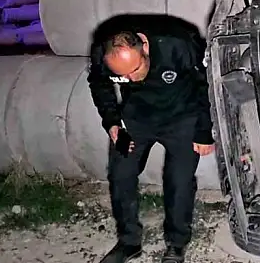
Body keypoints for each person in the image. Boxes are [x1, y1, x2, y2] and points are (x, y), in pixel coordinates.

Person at [88, 16, 215, 263]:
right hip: (136, 118)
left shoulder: (178, 43)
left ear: (144, 46)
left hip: (183, 117)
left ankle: (176, 244)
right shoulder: (102, 53)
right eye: (124, 76)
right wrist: (112, 122)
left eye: (136, 69)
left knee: (178, 181)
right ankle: (129, 242)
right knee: (120, 173)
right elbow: (99, 84)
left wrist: (204, 131)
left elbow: (206, 83)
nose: (133, 79)